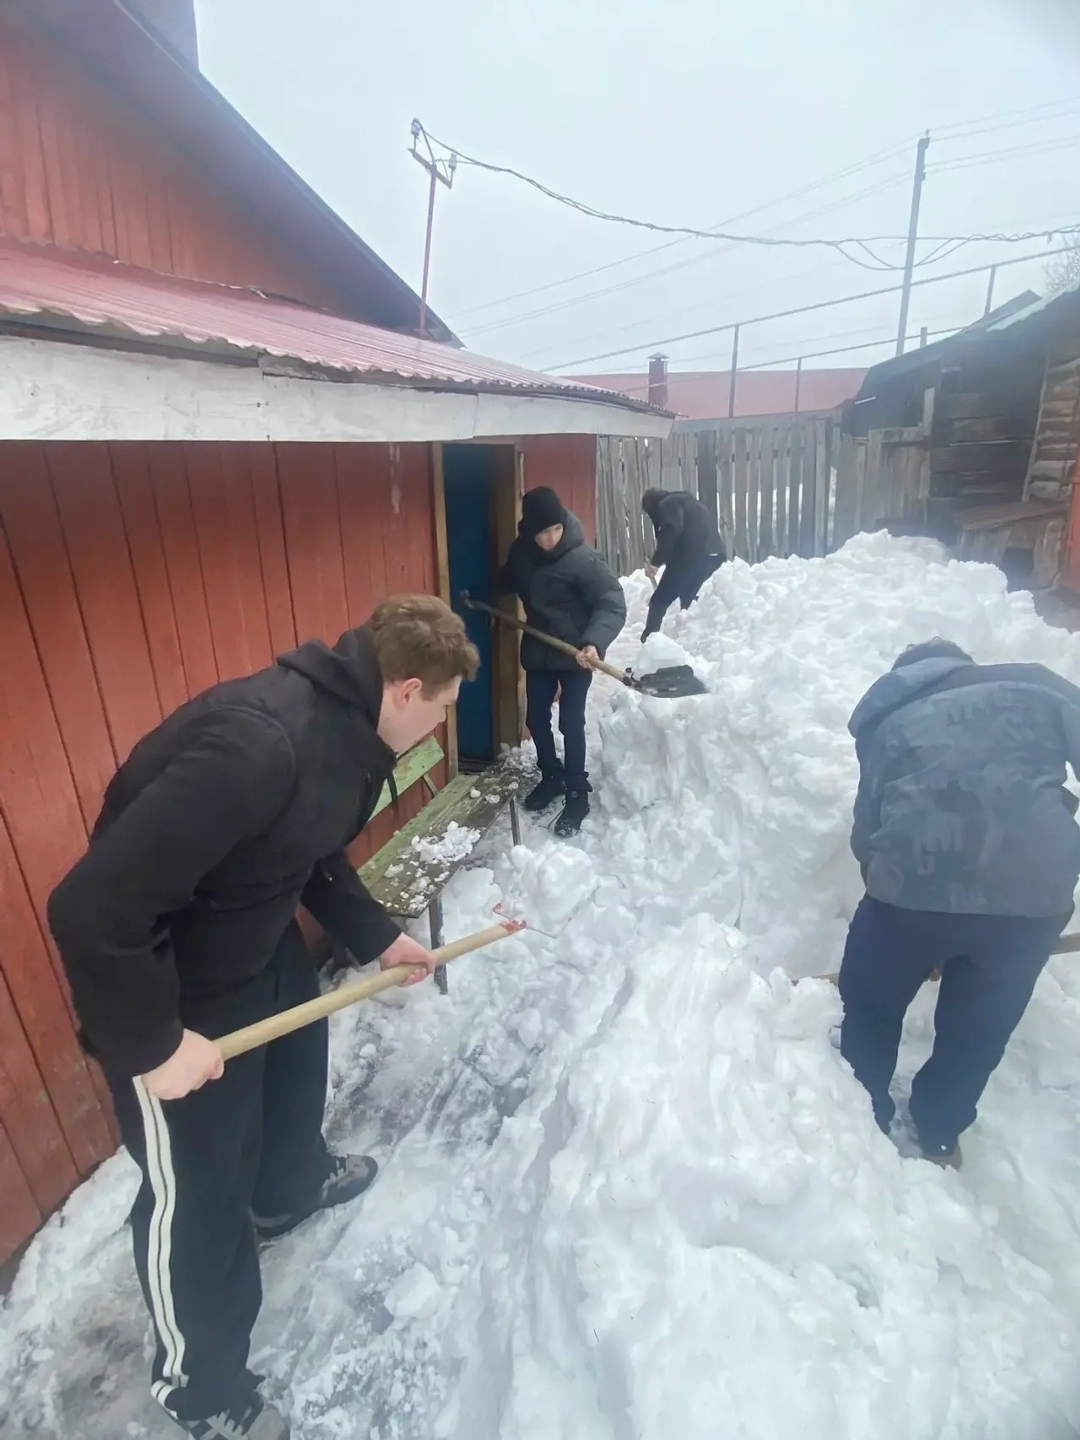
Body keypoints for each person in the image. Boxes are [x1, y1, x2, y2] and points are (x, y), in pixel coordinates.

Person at [47, 596, 479, 1440]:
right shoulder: (259, 744)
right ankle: (198, 1388)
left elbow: (306, 848)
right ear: (407, 688)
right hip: (172, 990)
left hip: (256, 943)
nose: (443, 720)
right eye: (444, 705)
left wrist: (379, 939)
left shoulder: (349, 733)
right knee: (197, 1193)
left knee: (292, 1082)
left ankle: (284, 1191)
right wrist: (152, 1045)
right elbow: (89, 909)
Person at [838, 638, 1080, 1168]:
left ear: (905, 676)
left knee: (871, 1005)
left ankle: (860, 1119)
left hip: (910, 890)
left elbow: (868, 829)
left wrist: (906, 919)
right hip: (1032, 897)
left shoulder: (889, 717)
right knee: (980, 1026)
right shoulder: (1037, 684)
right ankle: (940, 1130)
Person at [498, 486, 626, 838]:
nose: (551, 538)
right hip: (540, 649)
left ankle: (576, 791)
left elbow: (612, 601)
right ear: (530, 531)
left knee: (570, 722)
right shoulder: (521, 554)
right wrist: (478, 591)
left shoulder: (583, 559)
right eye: (542, 532)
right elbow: (508, 578)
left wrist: (594, 642)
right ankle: (551, 775)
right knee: (536, 718)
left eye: (555, 529)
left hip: (576, 654)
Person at [640, 487, 725, 641]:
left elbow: (671, 530)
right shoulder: (689, 502)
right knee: (688, 597)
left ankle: (649, 645)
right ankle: (692, 642)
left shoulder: (667, 505)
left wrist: (655, 563)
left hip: (691, 558)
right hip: (714, 555)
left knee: (659, 600)